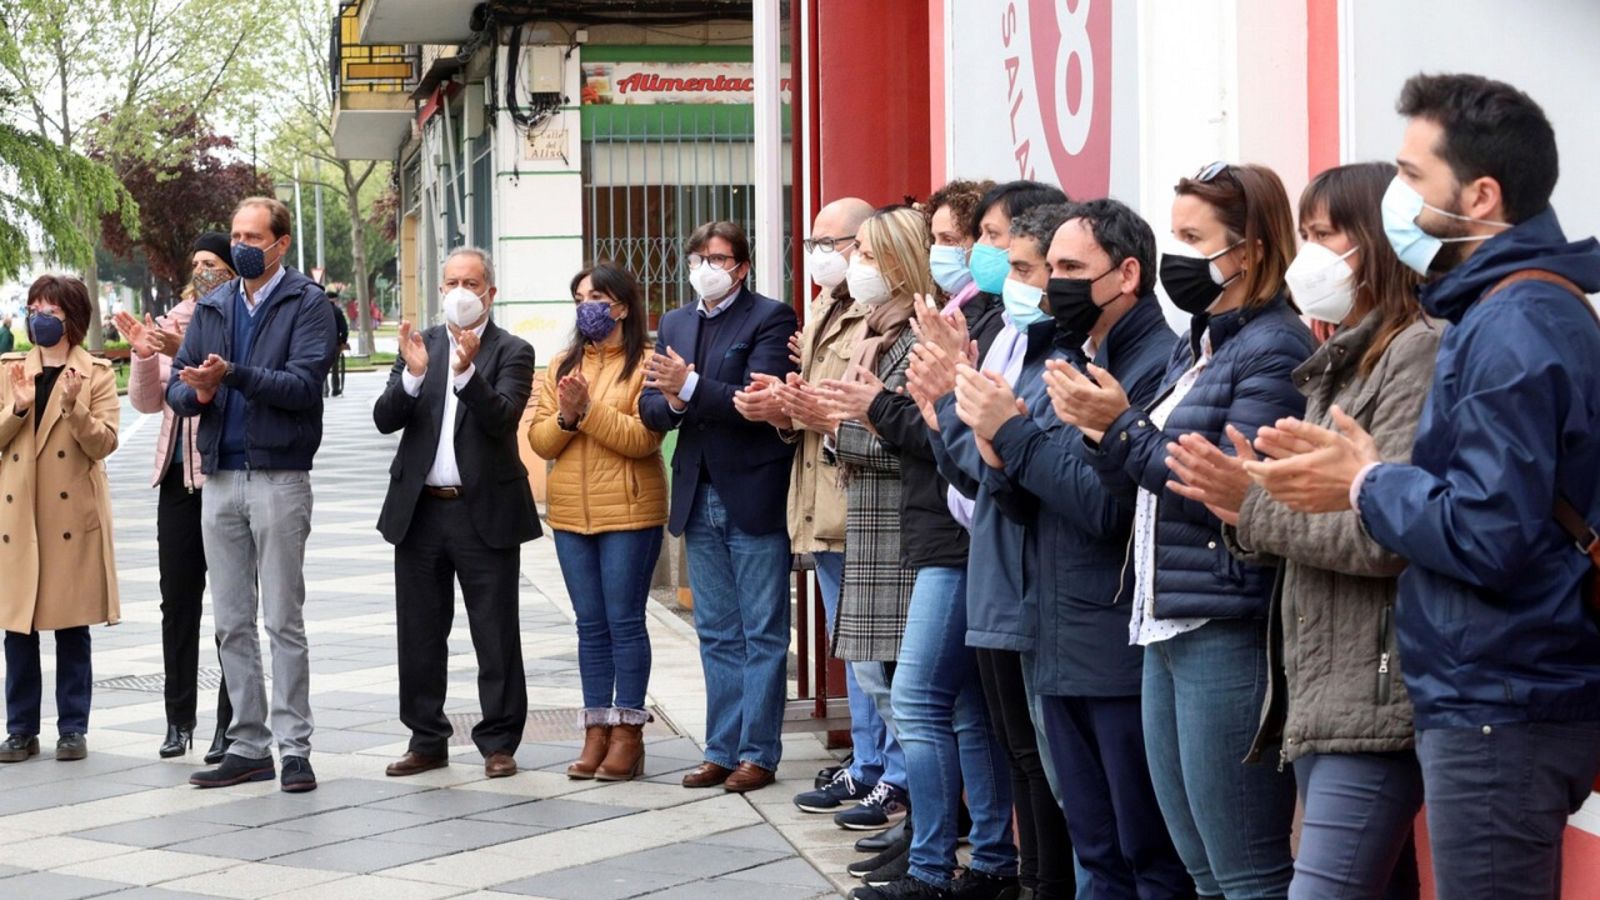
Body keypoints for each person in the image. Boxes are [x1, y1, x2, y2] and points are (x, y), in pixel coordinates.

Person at [1243, 74, 1600, 899]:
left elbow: (1489, 533)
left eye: (1410, 175)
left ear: (1481, 195)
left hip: (1503, 694)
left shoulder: (1513, 323)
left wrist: (1367, 483)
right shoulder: (1504, 311)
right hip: (1498, 689)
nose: (1395, 197)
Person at [1165, 162, 1436, 898]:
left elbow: (1385, 529)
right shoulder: (1342, 358)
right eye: (1305, 233)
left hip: (1374, 685)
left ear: (1377, 241)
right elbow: (1314, 511)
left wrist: (1251, 505)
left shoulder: (1417, 349)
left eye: (1323, 235)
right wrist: (1253, 498)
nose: (1307, 254)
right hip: (1324, 682)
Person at [1050, 163, 1312, 898]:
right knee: (1199, 865)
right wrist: (1101, 434)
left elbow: (1224, 490)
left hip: (1226, 620)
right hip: (1167, 619)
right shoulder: (1201, 344)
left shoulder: (1274, 347)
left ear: (1250, 250)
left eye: (1194, 238)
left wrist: (1121, 428)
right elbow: (1143, 484)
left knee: (1246, 868)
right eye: (1175, 235)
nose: (1178, 256)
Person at [959, 199, 1193, 898]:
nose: (1053, 284)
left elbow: (1105, 507)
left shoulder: (1153, 364)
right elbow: (1033, 499)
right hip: (1060, 634)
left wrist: (1014, 436)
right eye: (1050, 268)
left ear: (1127, 275)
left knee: (1144, 854)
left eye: (1068, 268)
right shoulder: (1072, 353)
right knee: (1096, 848)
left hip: (1112, 646)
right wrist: (996, 451)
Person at [920, 182, 1078, 900]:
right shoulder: (1010, 336)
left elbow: (1010, 465)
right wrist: (945, 413)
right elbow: (976, 466)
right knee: (1020, 751)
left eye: (1012, 254)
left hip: (1027, 580)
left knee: (1045, 762)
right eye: (987, 242)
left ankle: (1022, 875)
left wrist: (953, 403)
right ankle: (1019, 876)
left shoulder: (1053, 354)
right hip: (995, 569)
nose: (993, 261)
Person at [734, 197, 899, 815]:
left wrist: (803, 408)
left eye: (834, 244)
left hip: (862, 502)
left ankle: (892, 774)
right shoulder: (828, 305)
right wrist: (784, 406)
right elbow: (816, 406)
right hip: (819, 497)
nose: (821, 256)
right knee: (852, 650)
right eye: (814, 244)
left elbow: (861, 410)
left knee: (877, 658)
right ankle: (867, 763)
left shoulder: (881, 313)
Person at [169, 196, 337, 793]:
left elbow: (303, 385)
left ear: (280, 244)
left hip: (279, 476)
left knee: (282, 620)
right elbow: (179, 386)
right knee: (231, 621)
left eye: (252, 237)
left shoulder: (307, 303)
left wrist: (232, 375)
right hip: (219, 476)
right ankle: (247, 744)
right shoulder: (214, 304)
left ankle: (295, 749)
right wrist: (199, 392)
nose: (240, 245)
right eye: (235, 235)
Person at [640, 220, 798, 793]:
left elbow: (757, 399)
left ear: (742, 266)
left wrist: (688, 387)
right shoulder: (675, 322)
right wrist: (677, 401)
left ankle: (758, 753)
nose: (706, 268)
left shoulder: (770, 317)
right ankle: (720, 749)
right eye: (697, 258)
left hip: (753, 492)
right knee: (716, 632)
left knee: (763, 633)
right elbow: (651, 407)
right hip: (696, 491)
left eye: (719, 258)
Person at [375, 246, 539, 780]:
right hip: (421, 511)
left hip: (483, 510)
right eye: (451, 283)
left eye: (471, 283)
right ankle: (426, 739)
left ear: (490, 292)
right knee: (419, 631)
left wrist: (467, 375)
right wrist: (412, 377)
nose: (460, 292)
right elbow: (384, 418)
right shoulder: (420, 344)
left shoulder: (512, 350)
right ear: (440, 289)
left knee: (495, 631)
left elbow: (503, 418)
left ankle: (499, 742)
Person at [528, 262, 666, 781]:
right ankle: (595, 731)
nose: (585, 307)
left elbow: (643, 439)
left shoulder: (647, 363)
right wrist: (566, 416)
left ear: (622, 307)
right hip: (570, 516)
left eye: (596, 298)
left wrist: (586, 410)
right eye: (579, 298)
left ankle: (628, 732)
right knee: (589, 625)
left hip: (629, 512)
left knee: (624, 621)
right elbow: (542, 442)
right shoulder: (562, 364)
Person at [117, 231, 238, 761]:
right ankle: (178, 720)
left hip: (226, 476)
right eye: (197, 262)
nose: (202, 271)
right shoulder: (171, 321)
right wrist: (146, 355)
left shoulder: (241, 318)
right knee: (178, 604)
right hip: (177, 481)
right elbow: (147, 403)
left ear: (232, 269)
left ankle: (230, 724)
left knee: (233, 607)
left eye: (213, 262)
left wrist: (187, 355)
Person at [0, 275, 120, 764]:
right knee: (18, 628)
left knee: (72, 627)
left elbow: (104, 443)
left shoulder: (96, 373)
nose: (39, 319)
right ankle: (20, 730)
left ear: (72, 318)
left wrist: (73, 408)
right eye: (33, 309)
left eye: (49, 311)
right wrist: (18, 406)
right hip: (18, 514)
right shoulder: (10, 370)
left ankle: (72, 728)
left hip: (70, 515)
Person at [325, 288, 349, 398]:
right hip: (334, 343)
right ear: (335, 300)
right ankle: (335, 388)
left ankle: (324, 389)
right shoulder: (338, 311)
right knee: (335, 368)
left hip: (320, 343)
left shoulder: (319, 310)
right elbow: (344, 328)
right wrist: (343, 341)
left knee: (322, 367)